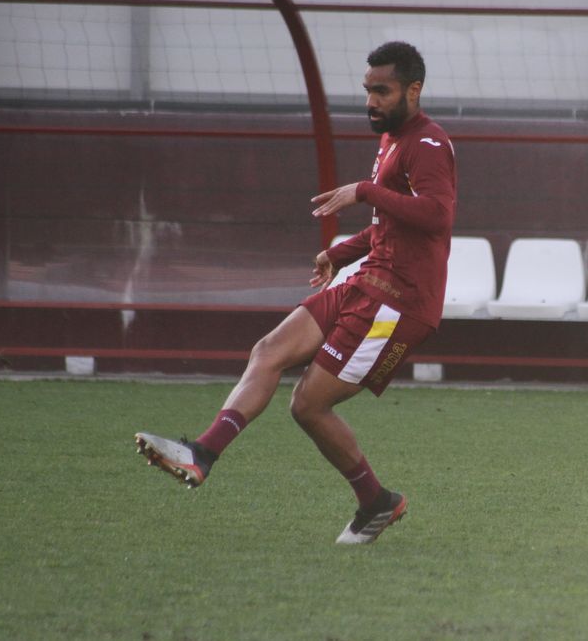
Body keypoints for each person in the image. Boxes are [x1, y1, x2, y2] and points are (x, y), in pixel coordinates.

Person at [135, 41, 456, 544]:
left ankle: (376, 501)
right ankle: (202, 453)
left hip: (398, 304)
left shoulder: (429, 144)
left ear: (414, 91)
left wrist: (365, 191)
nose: (370, 100)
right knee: (268, 351)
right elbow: (391, 228)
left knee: (307, 405)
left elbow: (438, 216)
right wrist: (342, 253)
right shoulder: (391, 140)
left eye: (382, 91)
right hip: (365, 281)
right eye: (367, 90)